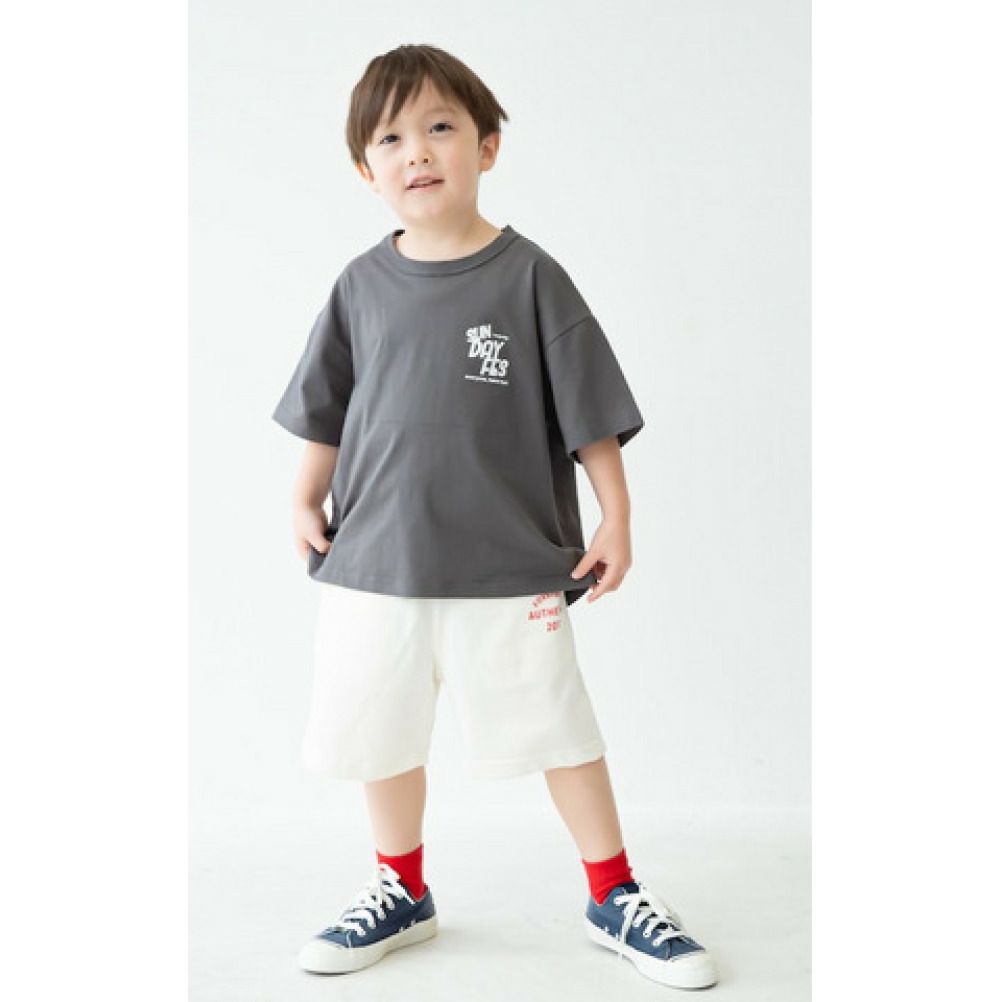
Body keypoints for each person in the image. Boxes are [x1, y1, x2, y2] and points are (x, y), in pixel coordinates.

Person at [271, 43, 718, 990]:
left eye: (440, 127)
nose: (417, 151)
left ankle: (613, 892)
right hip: (376, 560)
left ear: (487, 147)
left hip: (509, 563)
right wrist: (306, 495)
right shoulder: (360, 285)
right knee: (379, 730)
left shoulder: (530, 277)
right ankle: (401, 888)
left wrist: (616, 517)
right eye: (390, 138)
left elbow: (590, 412)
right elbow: (326, 406)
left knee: (559, 727)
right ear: (365, 170)